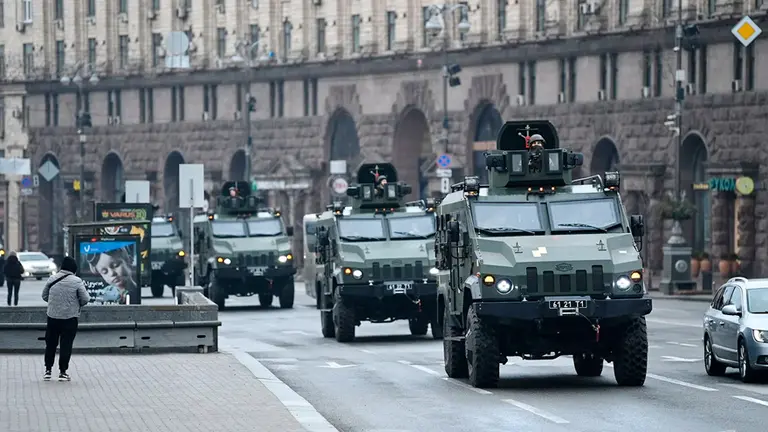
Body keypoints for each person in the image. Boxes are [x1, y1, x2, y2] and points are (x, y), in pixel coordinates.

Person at [41, 256, 90, 381]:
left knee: (50, 344)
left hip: (52, 317)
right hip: (70, 318)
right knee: (66, 344)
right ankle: (63, 372)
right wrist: (74, 305)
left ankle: (48, 370)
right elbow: (85, 299)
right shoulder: (77, 281)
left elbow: (44, 296)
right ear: (74, 268)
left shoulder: (52, 279)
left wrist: (55, 303)